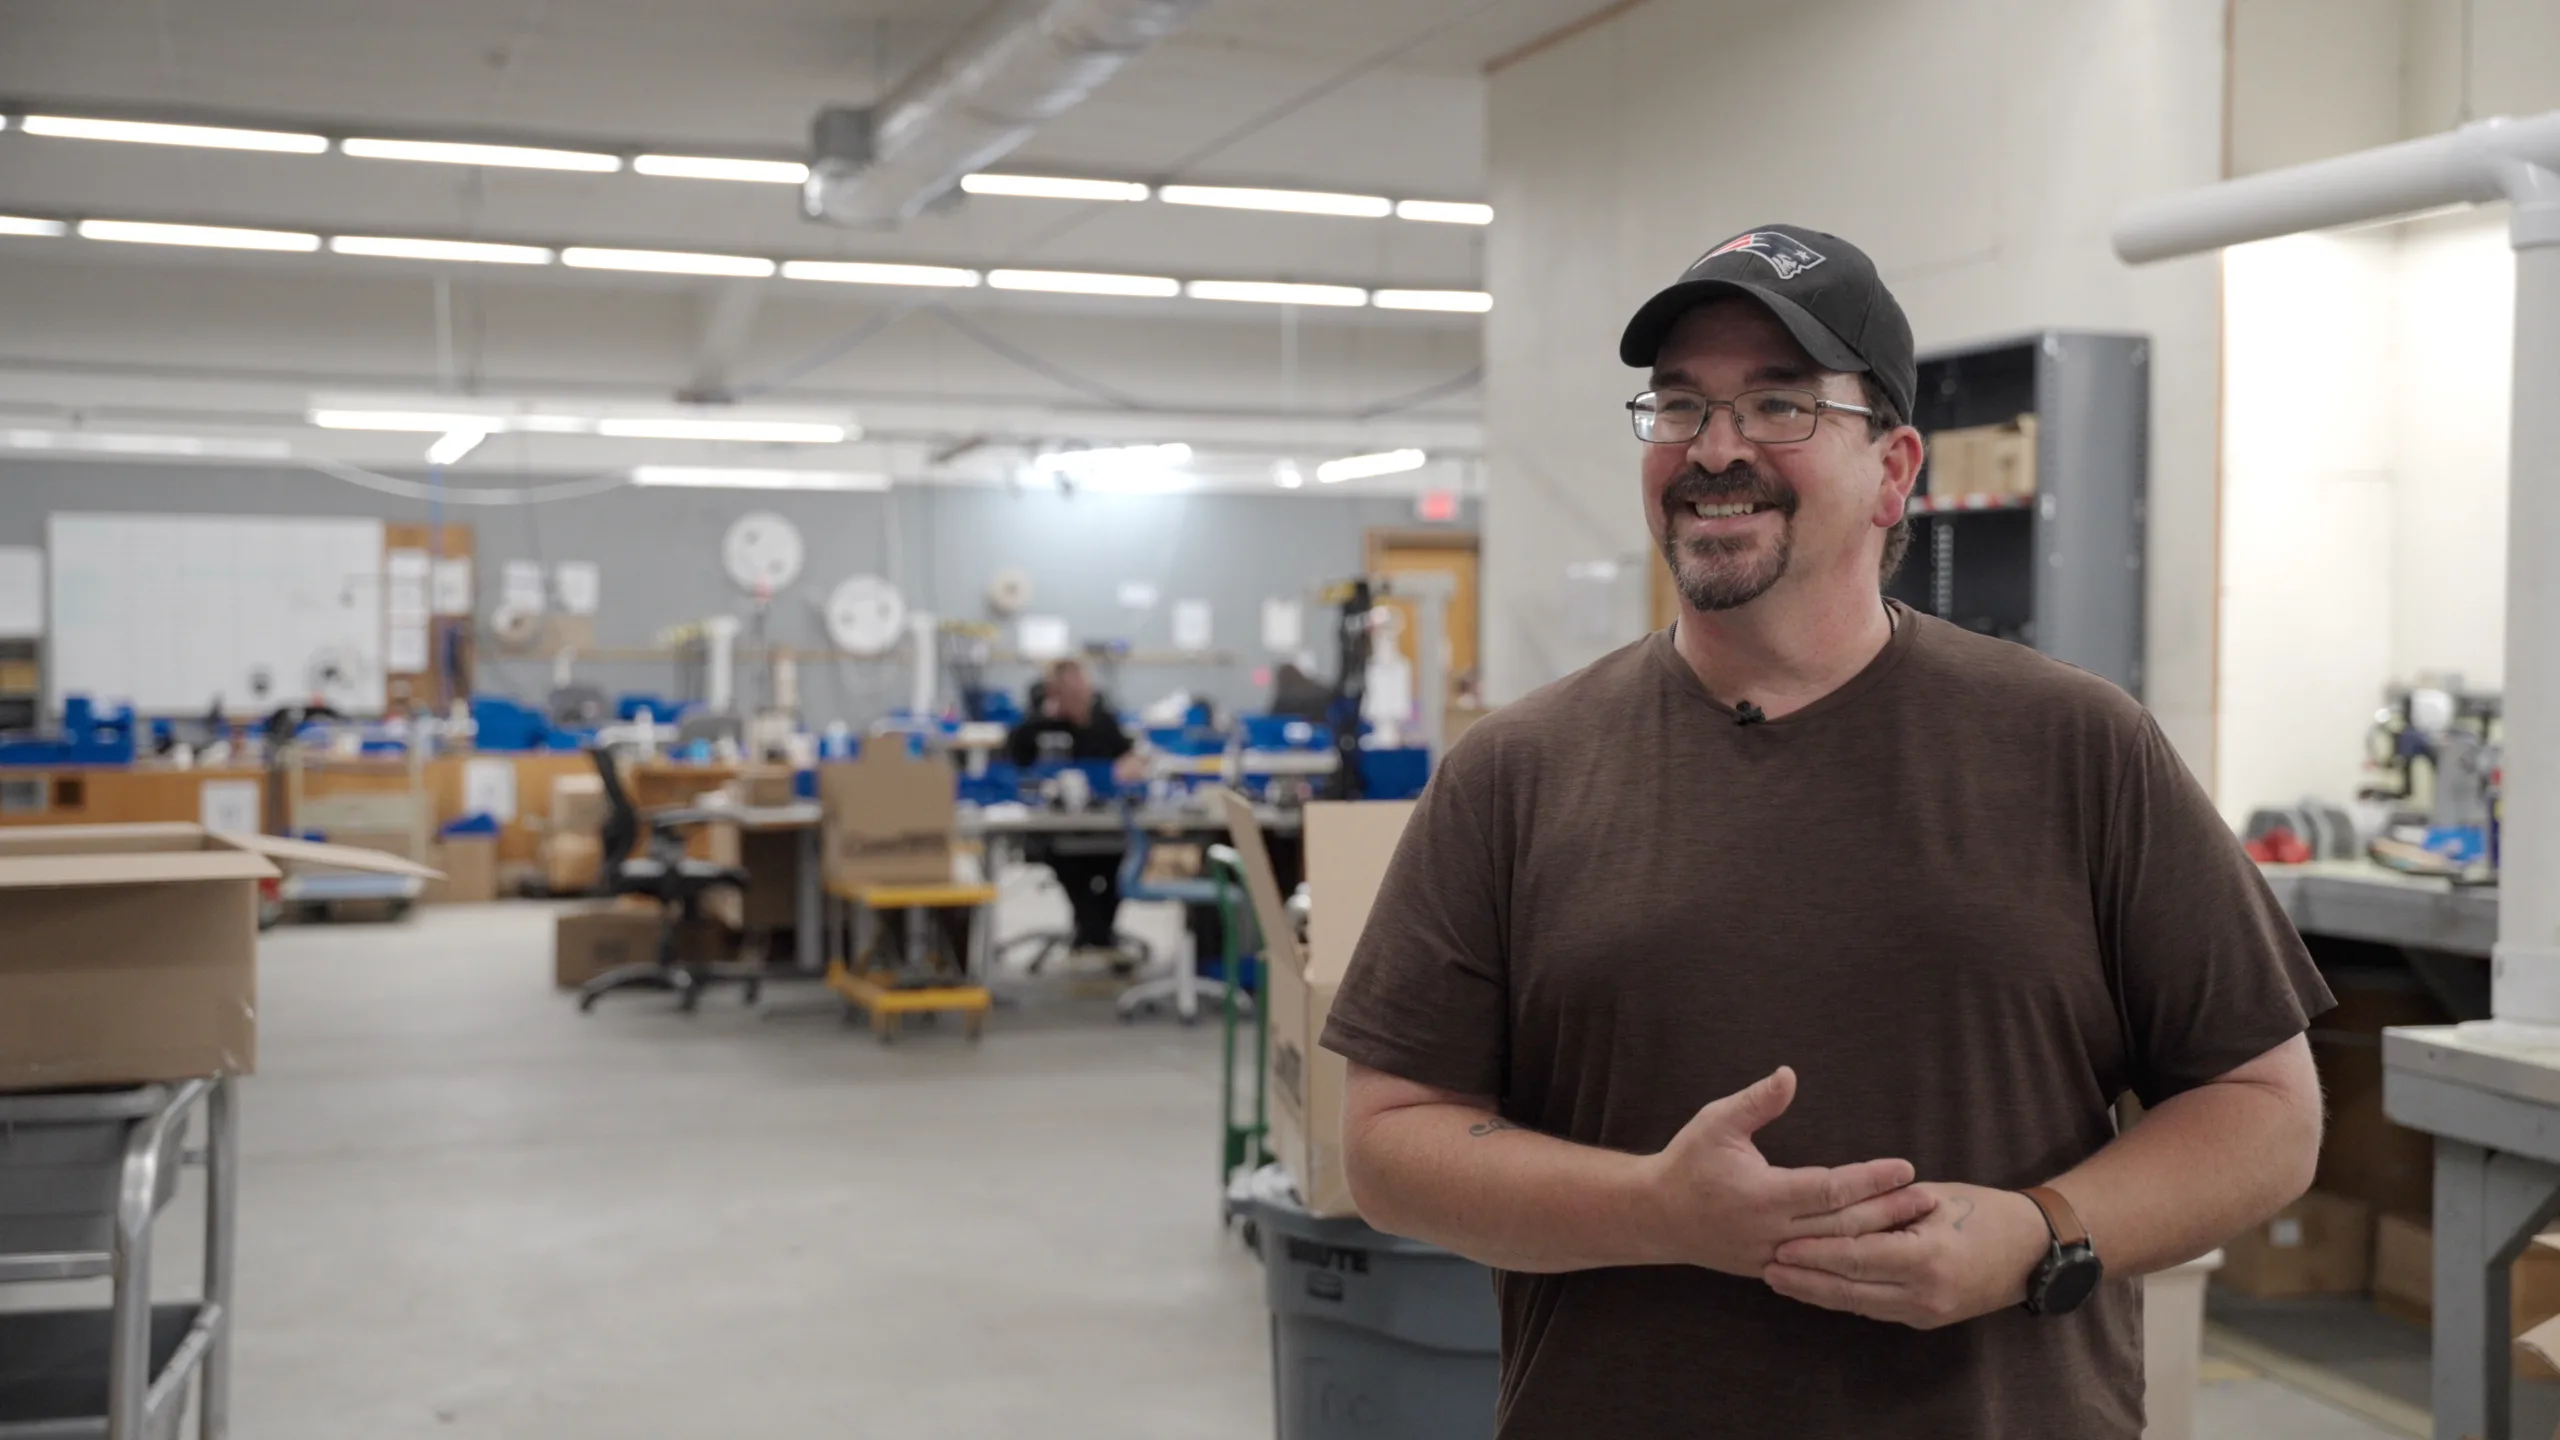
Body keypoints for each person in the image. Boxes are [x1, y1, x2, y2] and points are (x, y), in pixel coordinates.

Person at [1321, 225, 2332, 1439]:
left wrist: (2038, 1233)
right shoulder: (1513, 774)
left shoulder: (2076, 746)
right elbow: (1387, 1146)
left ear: (1895, 470)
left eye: (1780, 405)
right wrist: (1658, 1210)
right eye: (1679, 406)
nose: (1716, 450)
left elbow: (2266, 1111)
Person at [1005, 658, 1147, 954]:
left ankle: (1097, 933)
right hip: (1057, 828)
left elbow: (1130, 757)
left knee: (1117, 864)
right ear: (1053, 692)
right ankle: (1093, 932)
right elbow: (1013, 764)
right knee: (1071, 864)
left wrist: (1127, 767)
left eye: (1081, 688)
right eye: (1068, 691)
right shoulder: (1037, 727)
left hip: (1105, 823)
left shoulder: (1103, 721)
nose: (1078, 696)